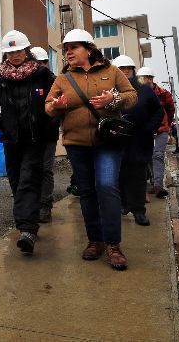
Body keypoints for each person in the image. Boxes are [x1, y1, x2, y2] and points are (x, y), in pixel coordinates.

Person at [45, 29, 137, 270]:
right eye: (66, 50)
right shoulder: (63, 78)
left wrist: (113, 100)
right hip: (77, 144)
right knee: (86, 192)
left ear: (88, 48)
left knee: (106, 186)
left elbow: (131, 95)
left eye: (73, 48)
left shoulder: (111, 71)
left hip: (107, 142)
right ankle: (94, 241)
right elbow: (48, 106)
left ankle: (113, 245)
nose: (68, 53)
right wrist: (57, 106)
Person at [0, 30, 55, 254]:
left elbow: (56, 101)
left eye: (18, 51)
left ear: (26, 51)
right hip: (11, 141)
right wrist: (2, 123)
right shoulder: (0, 77)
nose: (15, 55)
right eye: (10, 52)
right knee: (16, 181)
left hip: (35, 140)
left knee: (27, 181)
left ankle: (27, 230)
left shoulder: (42, 75)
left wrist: (49, 124)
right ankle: (27, 217)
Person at [113, 56, 163, 226]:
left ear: (133, 70)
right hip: (117, 140)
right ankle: (123, 204)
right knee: (119, 174)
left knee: (138, 176)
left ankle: (139, 211)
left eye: (128, 68)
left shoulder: (144, 90)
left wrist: (149, 127)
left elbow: (158, 111)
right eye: (121, 68)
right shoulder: (110, 90)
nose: (125, 71)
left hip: (140, 141)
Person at [30, 46, 60, 223]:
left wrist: (52, 122)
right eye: (37, 62)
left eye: (43, 62)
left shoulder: (55, 82)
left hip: (48, 134)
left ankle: (45, 205)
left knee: (45, 170)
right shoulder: (26, 82)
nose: (41, 65)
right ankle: (30, 204)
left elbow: (60, 107)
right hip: (29, 135)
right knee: (30, 169)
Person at [138, 66, 176, 198]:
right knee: (148, 156)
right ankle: (154, 180)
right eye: (143, 78)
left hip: (161, 129)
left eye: (148, 78)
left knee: (157, 154)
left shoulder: (163, 93)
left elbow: (171, 110)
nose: (146, 80)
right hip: (145, 130)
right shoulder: (136, 93)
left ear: (151, 79)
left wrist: (167, 124)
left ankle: (158, 185)